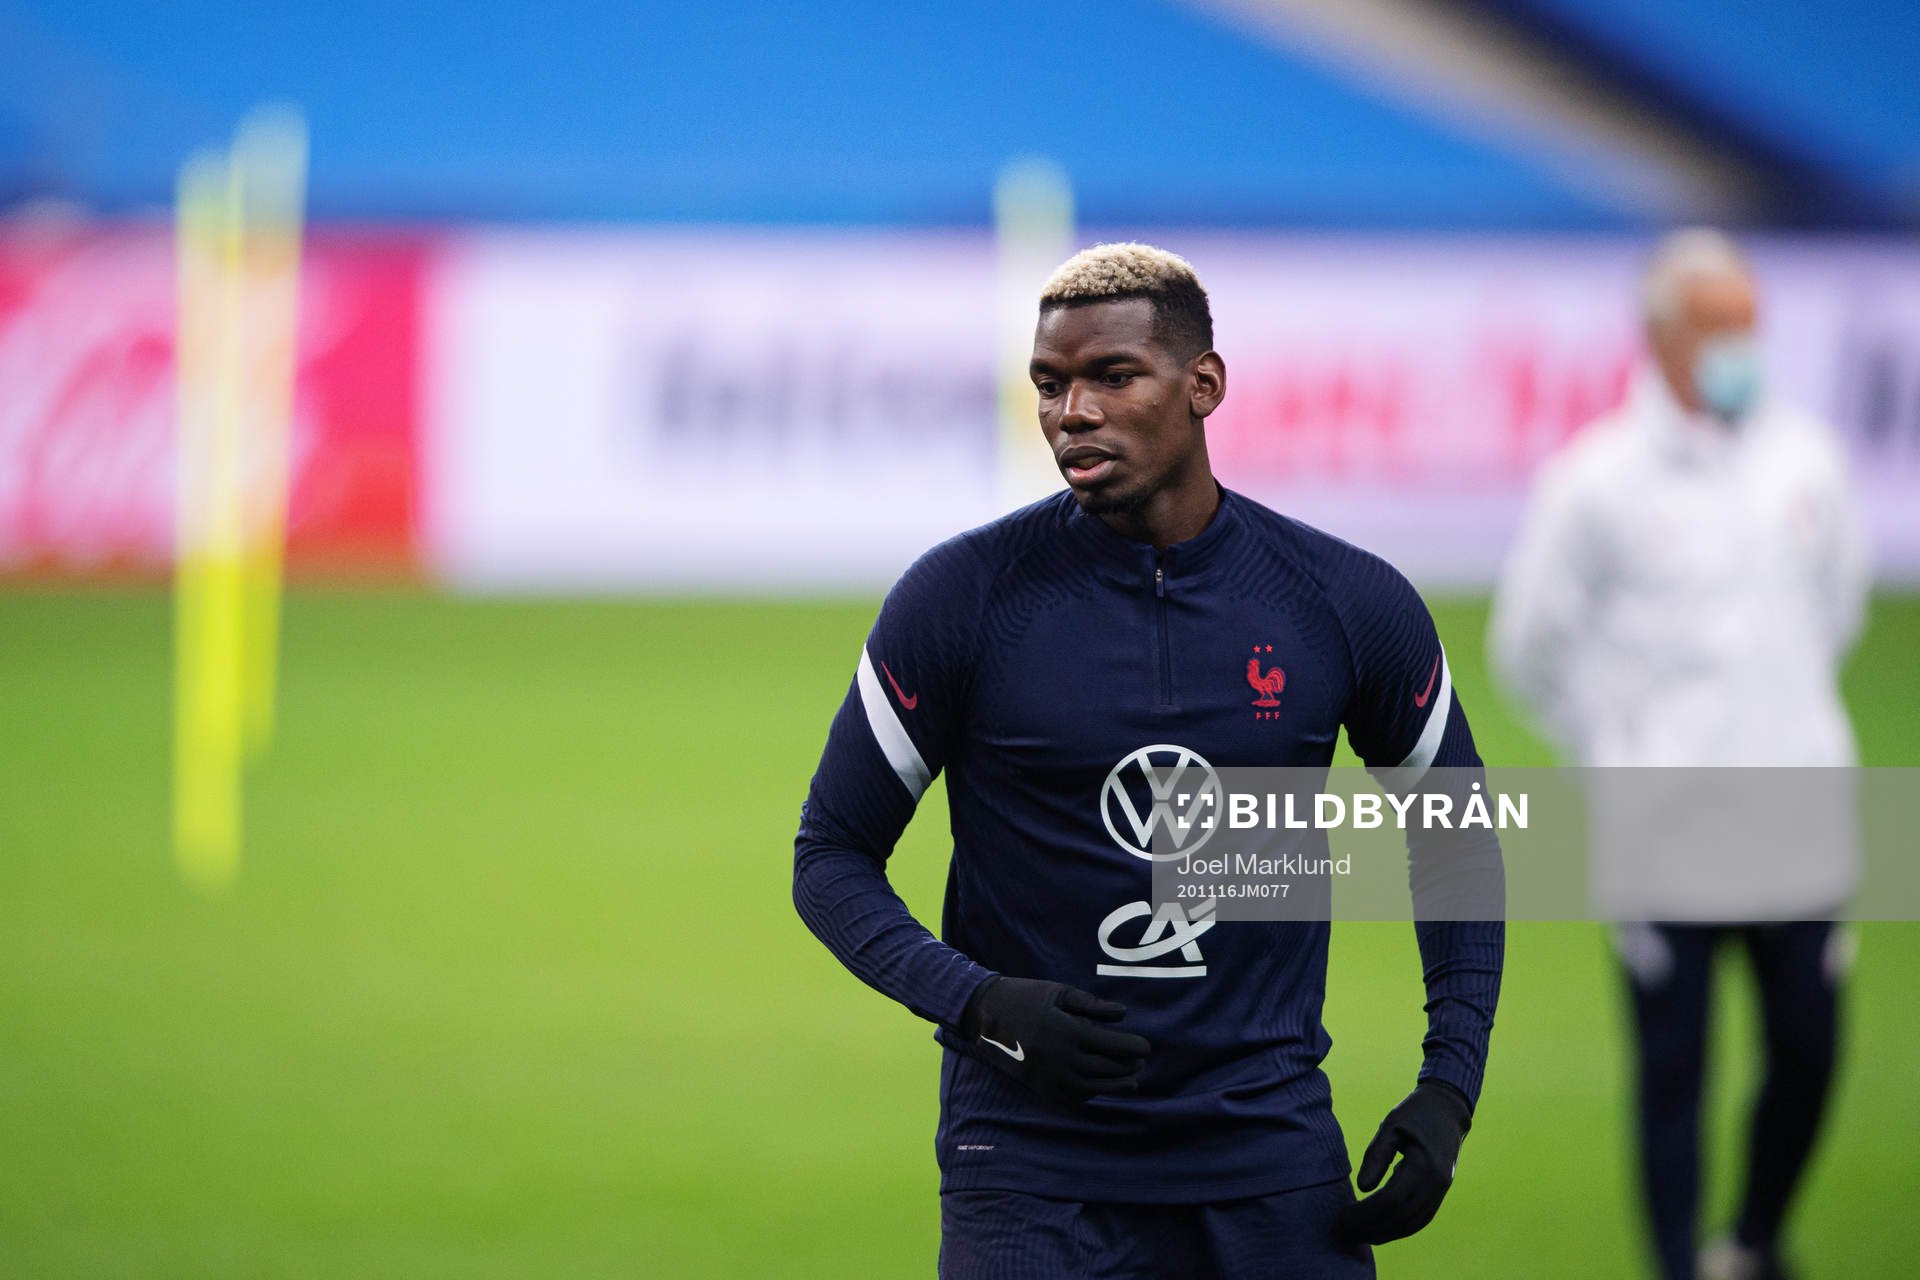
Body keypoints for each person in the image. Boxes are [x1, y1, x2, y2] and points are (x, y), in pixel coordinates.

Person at [793, 242, 1504, 1278]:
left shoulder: (1342, 600)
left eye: (1112, 377)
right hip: (1028, 1168)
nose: (1072, 411)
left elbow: (1459, 834)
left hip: (1270, 1160)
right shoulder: (962, 598)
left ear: (1203, 384)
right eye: (1049, 383)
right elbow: (831, 854)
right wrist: (980, 999)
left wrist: (1450, 1083)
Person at [1489, 228, 1869, 1280]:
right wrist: (1617, 757)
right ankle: (1675, 1262)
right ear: (1660, 336)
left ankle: (1750, 1240)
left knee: (1808, 1049)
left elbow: (1832, 611)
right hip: (1663, 831)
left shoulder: (1809, 458)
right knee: (1674, 1068)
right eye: (1721, 326)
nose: (1745, 344)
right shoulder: (1595, 480)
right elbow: (1529, 647)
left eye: (1753, 323)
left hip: (1800, 814)